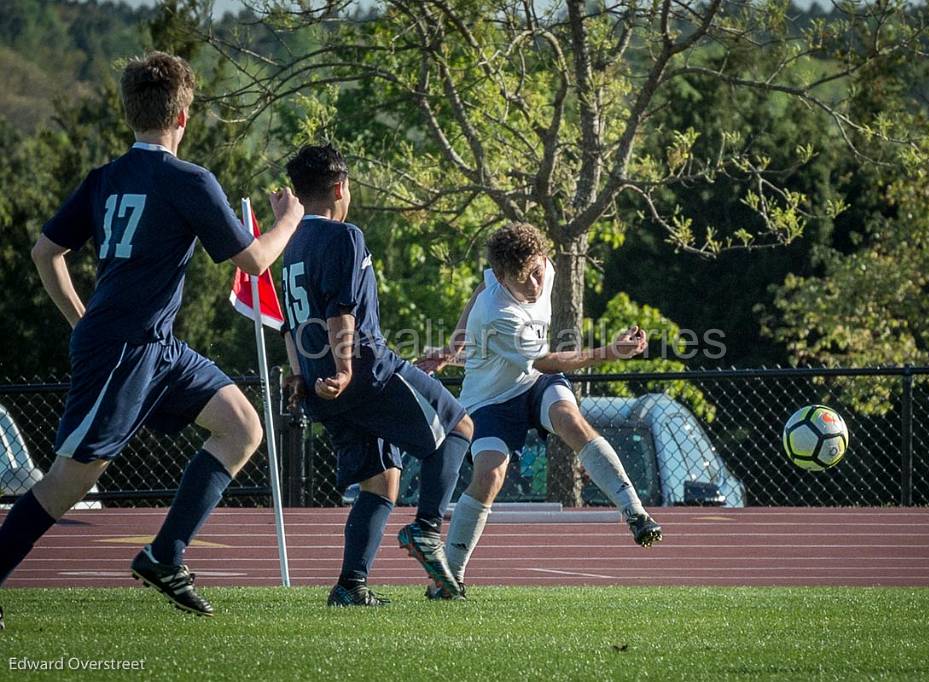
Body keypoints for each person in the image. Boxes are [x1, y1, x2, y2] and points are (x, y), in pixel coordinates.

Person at [0, 52, 305, 621]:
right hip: (123, 347)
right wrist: (291, 216)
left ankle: (165, 555)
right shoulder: (188, 179)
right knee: (69, 481)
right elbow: (256, 261)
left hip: (156, 347)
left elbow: (46, 253)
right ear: (183, 118)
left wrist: (79, 319)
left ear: (129, 114)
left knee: (242, 427)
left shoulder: (106, 178)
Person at [417, 222, 663, 598]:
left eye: (536, 273)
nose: (534, 286)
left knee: (570, 420)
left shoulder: (543, 267)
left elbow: (481, 283)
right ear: (504, 279)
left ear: (542, 259)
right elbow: (547, 361)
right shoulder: (497, 311)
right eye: (522, 280)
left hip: (533, 386)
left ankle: (635, 513)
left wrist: (453, 346)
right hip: (490, 401)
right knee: (489, 476)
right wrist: (610, 353)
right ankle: (450, 577)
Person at [280, 144, 473, 606]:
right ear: (339, 187)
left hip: (318, 382)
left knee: (381, 479)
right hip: (366, 371)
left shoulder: (288, 246)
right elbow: (340, 311)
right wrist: (346, 369)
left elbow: (289, 323)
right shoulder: (344, 236)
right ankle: (427, 531)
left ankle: (351, 586)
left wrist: (299, 375)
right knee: (459, 427)